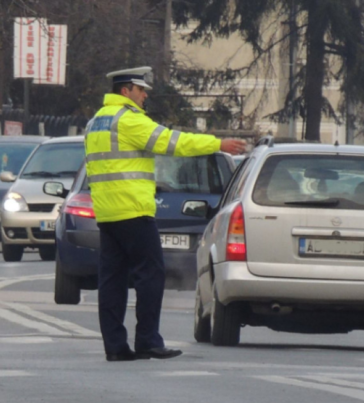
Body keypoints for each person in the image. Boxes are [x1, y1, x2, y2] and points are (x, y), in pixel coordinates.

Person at [84, 66, 246, 362]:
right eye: (141, 89)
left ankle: (116, 346)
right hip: (133, 209)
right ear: (126, 91)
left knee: (112, 281)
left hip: (107, 213)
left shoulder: (96, 122)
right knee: (151, 274)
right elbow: (174, 143)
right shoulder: (128, 120)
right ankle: (147, 340)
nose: (144, 95)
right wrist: (217, 144)